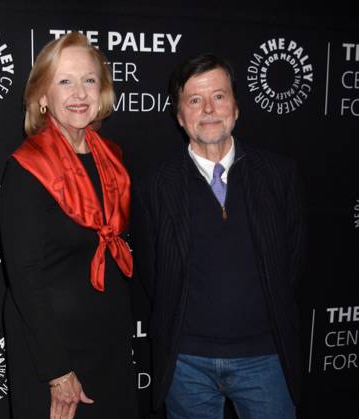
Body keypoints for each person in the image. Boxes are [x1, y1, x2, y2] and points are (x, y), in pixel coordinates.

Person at [131, 53, 307, 419]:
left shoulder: (278, 175)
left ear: (236, 108)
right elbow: (151, 271)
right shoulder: (155, 185)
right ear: (180, 116)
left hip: (267, 360)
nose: (209, 109)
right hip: (186, 363)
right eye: (195, 100)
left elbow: (292, 261)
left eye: (219, 96)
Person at [0, 32, 139, 419]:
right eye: (65, 81)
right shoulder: (27, 168)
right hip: (54, 355)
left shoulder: (111, 158)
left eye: (89, 80)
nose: (79, 92)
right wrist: (57, 371)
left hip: (108, 346)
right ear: (43, 96)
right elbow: (25, 280)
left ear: (103, 91)